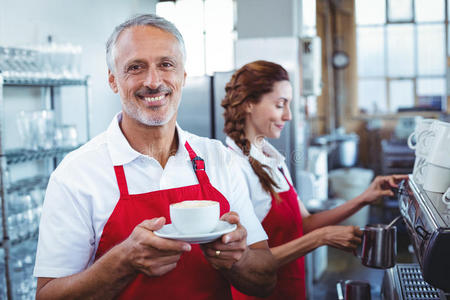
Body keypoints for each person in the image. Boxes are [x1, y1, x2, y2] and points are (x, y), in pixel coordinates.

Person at [33, 15, 277, 300]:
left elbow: (266, 280)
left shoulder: (218, 158)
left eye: (166, 65)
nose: (153, 81)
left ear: (183, 76)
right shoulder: (76, 174)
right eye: (135, 67)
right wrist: (122, 262)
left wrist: (239, 259)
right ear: (113, 80)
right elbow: (48, 295)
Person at [221, 60, 408, 300]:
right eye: (280, 105)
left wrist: (364, 198)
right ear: (248, 104)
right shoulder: (234, 168)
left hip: (291, 290)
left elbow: (305, 223)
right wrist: (322, 238)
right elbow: (248, 261)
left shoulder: (271, 157)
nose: (288, 116)